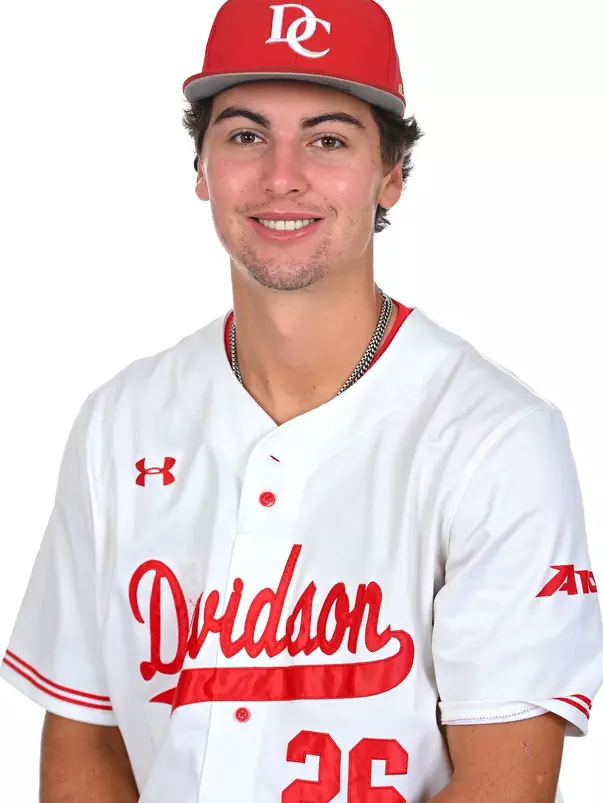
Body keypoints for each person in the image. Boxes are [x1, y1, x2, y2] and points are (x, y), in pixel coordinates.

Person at [2, 0, 603, 801]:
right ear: (201, 168)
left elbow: (504, 785)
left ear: (391, 171)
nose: (281, 175)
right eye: (245, 135)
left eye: (327, 139)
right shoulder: (120, 418)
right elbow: (86, 739)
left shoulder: (495, 439)